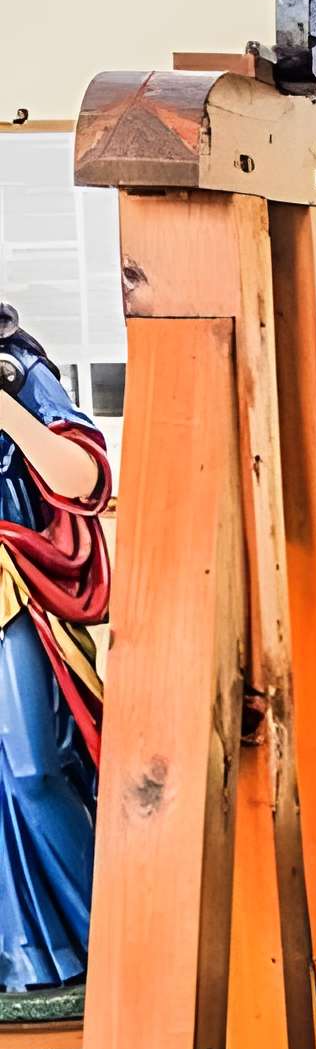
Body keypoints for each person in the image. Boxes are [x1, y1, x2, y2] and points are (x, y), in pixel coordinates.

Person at [0, 303, 110, 991]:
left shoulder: (19, 370)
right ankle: (25, 955)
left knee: (36, 768)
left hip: (12, 584)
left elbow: (85, 480)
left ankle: (112, 930)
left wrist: (6, 409)